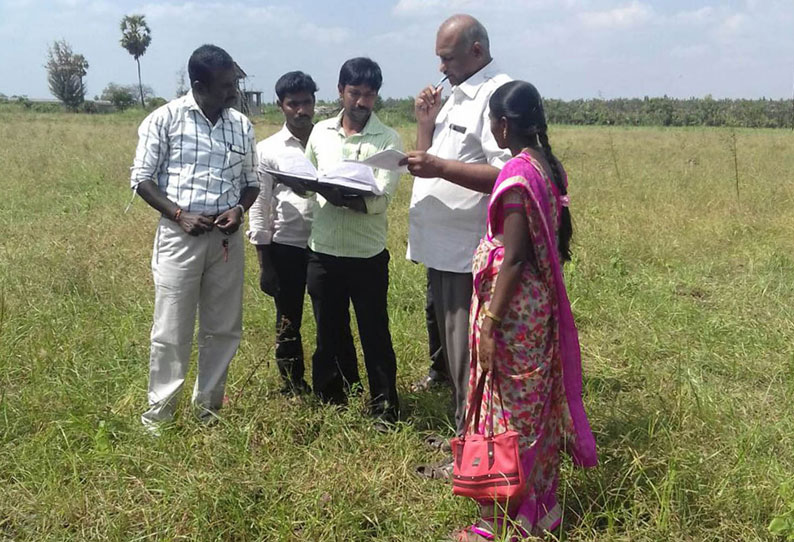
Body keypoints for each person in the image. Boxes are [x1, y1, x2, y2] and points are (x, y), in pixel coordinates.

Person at [454, 80, 597, 541]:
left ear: (501, 125)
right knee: (534, 407)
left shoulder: (516, 175)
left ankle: (501, 521)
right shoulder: (546, 165)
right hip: (536, 302)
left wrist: (490, 323)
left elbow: (513, 257)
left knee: (508, 413)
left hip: (513, 308)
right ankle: (544, 505)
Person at [130, 44, 259, 432]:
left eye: (234, 83)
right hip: (179, 238)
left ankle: (209, 412)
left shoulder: (241, 125)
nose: (233, 92)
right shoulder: (165, 120)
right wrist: (179, 215)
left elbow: (251, 183)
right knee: (171, 329)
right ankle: (160, 417)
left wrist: (239, 209)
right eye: (225, 86)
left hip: (225, 241)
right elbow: (142, 179)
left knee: (223, 328)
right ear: (199, 85)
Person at [403, 14, 511, 469]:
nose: (441, 68)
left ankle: (474, 455)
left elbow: (509, 174)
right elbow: (435, 158)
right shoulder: (454, 98)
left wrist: (441, 169)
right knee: (453, 354)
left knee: (471, 358)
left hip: (469, 253)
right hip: (441, 250)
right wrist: (426, 125)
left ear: (477, 51)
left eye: (448, 58)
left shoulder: (495, 95)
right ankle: (461, 433)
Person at [302, 57, 403, 427]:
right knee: (329, 330)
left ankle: (385, 407)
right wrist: (307, 185)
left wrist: (346, 197)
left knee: (374, 331)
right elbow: (310, 178)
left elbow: (382, 199)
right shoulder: (320, 133)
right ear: (340, 91)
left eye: (369, 95)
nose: (361, 102)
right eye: (354, 93)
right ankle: (333, 397)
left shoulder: (389, 139)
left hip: (367, 255)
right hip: (323, 249)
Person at [247, 71, 356, 396]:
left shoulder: (331, 141)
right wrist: (264, 262)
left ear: (314, 102)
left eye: (306, 102)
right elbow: (260, 205)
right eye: (293, 103)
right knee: (288, 318)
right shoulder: (267, 150)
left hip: (327, 245)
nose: (301, 110)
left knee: (331, 317)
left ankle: (335, 383)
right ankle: (292, 383)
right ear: (280, 105)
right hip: (287, 247)